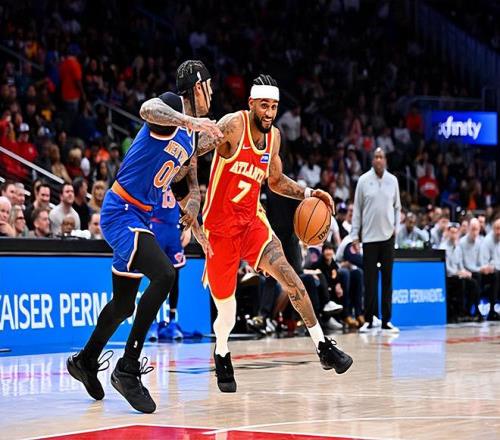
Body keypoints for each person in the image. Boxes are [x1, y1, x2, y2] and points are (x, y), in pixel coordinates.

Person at [66, 60, 222, 414]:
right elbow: (147, 108)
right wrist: (191, 121)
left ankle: (85, 360)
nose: (212, 93)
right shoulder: (171, 107)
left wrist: (196, 221)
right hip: (120, 210)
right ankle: (128, 367)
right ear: (198, 86)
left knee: (124, 304)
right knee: (165, 274)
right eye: (210, 86)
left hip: (141, 217)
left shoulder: (190, 137)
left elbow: (183, 182)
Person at [195, 74, 353, 393]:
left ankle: (323, 346)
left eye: (274, 107)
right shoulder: (233, 125)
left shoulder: (274, 138)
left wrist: (309, 192)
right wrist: (188, 198)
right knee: (227, 312)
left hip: (252, 222)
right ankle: (222, 351)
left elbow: (276, 181)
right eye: (264, 106)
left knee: (290, 276)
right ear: (251, 103)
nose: (269, 113)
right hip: (220, 229)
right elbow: (191, 153)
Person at [351, 148, 401, 333]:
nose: (379, 160)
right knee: (370, 281)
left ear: (385, 160)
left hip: (388, 237)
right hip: (369, 238)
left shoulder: (393, 180)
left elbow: (397, 207)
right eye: (376, 157)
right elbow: (357, 209)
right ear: (372, 160)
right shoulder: (363, 180)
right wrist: (355, 235)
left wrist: (396, 228)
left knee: (387, 280)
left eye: (381, 157)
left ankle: (386, 320)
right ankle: (369, 319)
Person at [150, 187, 188, 340]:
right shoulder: (154, 175)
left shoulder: (180, 177)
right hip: (156, 225)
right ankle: (152, 322)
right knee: (155, 276)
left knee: (174, 276)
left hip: (174, 228)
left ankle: (172, 321)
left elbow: (188, 200)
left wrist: (188, 228)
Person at [441, 223, 480, 322]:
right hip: (449, 277)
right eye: (452, 232)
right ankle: (459, 313)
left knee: (473, 283)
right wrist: (458, 273)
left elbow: (460, 264)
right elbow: (447, 269)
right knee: (461, 282)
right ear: (448, 233)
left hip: (458, 275)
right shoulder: (443, 247)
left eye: (455, 233)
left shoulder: (458, 247)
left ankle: (468, 311)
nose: (454, 235)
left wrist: (465, 272)